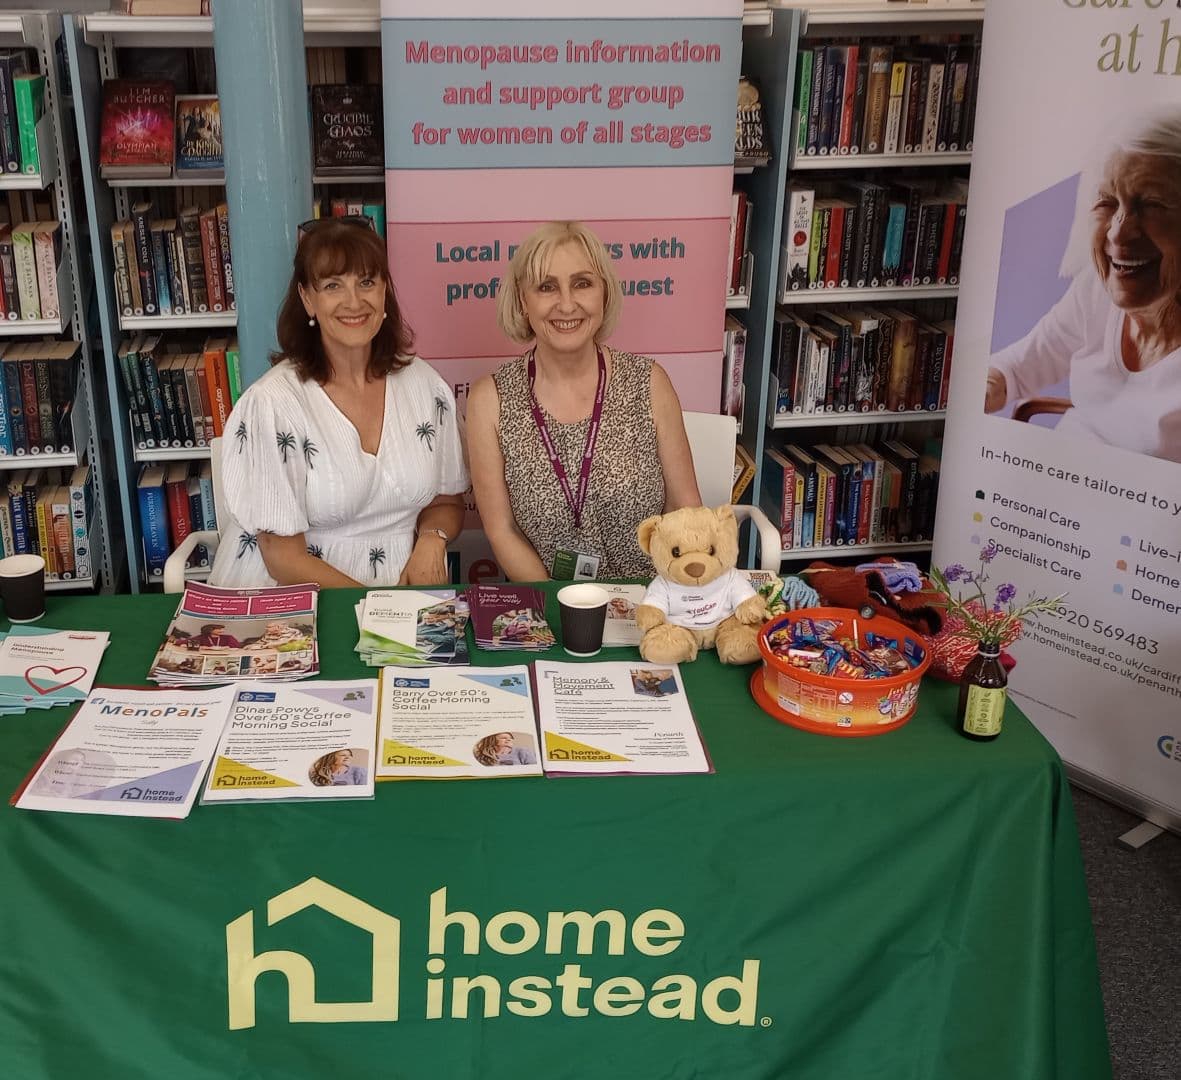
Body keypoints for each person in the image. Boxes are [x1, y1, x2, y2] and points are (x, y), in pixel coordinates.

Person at [209, 218, 468, 589]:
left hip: (397, 591)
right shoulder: (274, 402)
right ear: (307, 299)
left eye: (366, 282)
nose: (353, 301)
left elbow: (447, 500)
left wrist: (432, 538)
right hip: (292, 597)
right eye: (333, 286)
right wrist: (373, 610)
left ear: (384, 293)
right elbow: (281, 557)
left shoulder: (425, 386)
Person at [466, 221, 700, 581]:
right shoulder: (489, 399)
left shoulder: (649, 383)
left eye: (582, 283)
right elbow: (502, 530)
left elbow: (684, 510)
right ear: (522, 300)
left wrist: (660, 602)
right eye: (546, 287)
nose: (566, 303)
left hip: (651, 601)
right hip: (552, 607)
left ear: (603, 294)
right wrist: (560, 609)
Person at [984, 109, 1181, 463]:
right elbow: (1018, 365)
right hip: (1056, 490)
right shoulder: (1095, 291)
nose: (1119, 232)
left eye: (1152, 204)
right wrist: (989, 383)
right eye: (1107, 202)